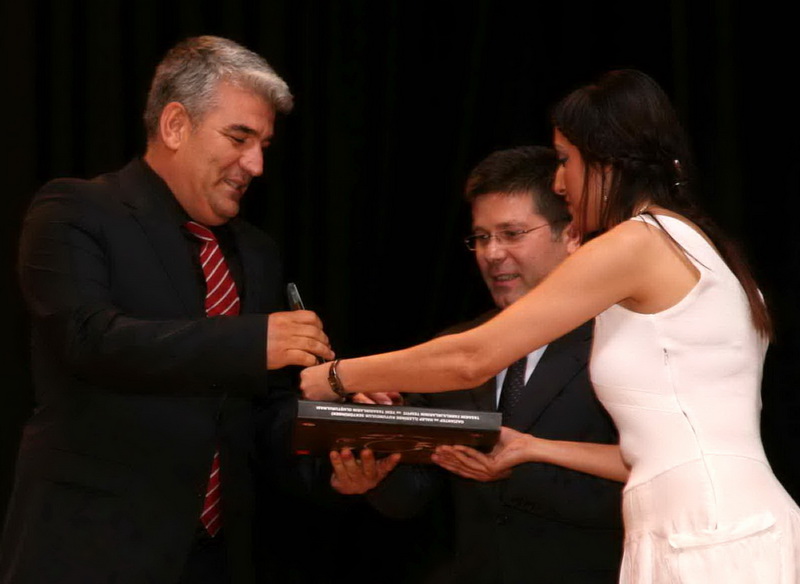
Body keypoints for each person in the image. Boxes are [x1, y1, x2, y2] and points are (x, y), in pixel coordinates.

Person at [301, 69, 800, 583]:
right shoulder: (700, 243)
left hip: (704, 531)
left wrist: (337, 376)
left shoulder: (638, 241)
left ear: (606, 160)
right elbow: (653, 455)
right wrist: (532, 447)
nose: (560, 183)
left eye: (565, 160)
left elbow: (473, 357)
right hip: (705, 522)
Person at [2, 36, 333, 584]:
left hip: (219, 558)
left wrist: (339, 447)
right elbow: (90, 340)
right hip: (91, 552)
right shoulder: (74, 210)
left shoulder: (257, 252)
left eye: (264, 145)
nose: (255, 164)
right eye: (239, 138)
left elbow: (263, 413)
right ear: (176, 125)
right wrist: (253, 342)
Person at [330, 146, 623, 583]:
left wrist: (516, 471)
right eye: (481, 237)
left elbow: (650, 486)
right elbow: (414, 496)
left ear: (571, 234)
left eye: (511, 233)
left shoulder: (618, 342)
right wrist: (375, 470)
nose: (492, 253)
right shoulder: (453, 348)